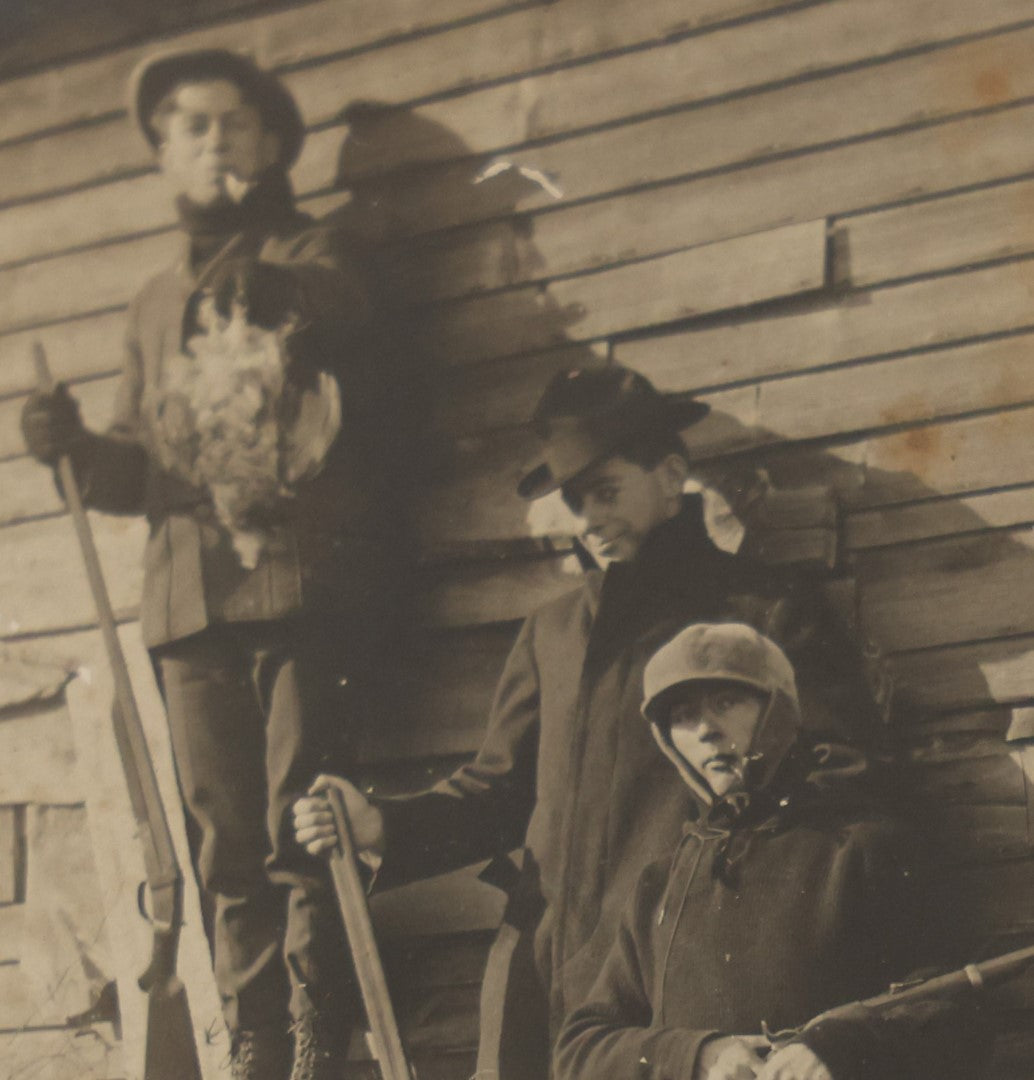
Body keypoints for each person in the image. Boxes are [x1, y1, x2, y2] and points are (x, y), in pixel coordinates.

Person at [293, 365, 880, 1079]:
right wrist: (381, 825)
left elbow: (839, 774)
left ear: (670, 475)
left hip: (667, 976)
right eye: (575, 500)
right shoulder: (554, 632)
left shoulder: (763, 611)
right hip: (538, 975)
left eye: (606, 491)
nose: (589, 518)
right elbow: (500, 792)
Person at [20, 48, 402, 1080]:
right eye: (188, 127)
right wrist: (67, 448)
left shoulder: (315, 251)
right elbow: (138, 470)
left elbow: (353, 315)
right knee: (224, 841)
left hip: (299, 586)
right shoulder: (151, 302)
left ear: (272, 145)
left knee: (301, 825)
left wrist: (271, 272)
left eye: (233, 124)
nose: (213, 142)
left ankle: (325, 1041)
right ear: (161, 157)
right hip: (188, 602)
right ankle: (257, 1042)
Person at [554, 622, 990, 1080]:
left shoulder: (863, 845)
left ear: (776, 710)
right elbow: (580, 1047)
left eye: (726, 703)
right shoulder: (660, 886)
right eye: (682, 715)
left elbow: (956, 1009)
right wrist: (695, 1055)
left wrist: (839, 1051)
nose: (705, 730)